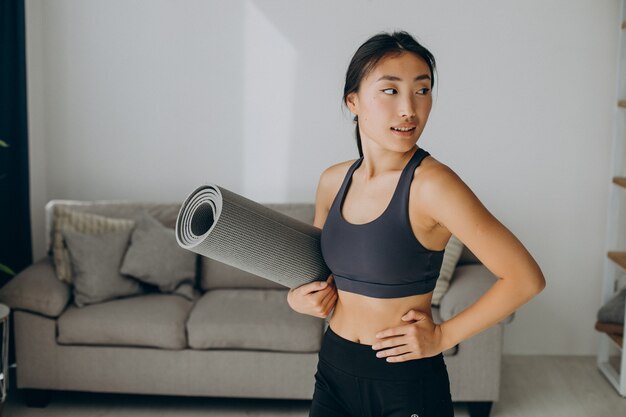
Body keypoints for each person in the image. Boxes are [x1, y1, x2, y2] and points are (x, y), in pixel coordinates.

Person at [287, 30, 546, 417]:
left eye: (422, 90)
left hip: (405, 380)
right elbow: (320, 272)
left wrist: (443, 335)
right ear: (353, 101)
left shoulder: (434, 185)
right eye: (390, 91)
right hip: (334, 366)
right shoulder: (332, 181)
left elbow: (526, 278)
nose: (410, 108)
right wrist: (296, 299)